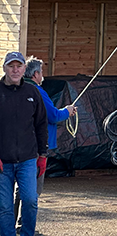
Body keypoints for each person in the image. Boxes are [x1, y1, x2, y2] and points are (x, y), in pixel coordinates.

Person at [14, 57, 77, 227]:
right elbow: (53, 115)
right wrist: (67, 111)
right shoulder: (38, 91)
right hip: (36, 147)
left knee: (19, 186)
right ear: (35, 74)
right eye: (41, 72)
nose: (43, 76)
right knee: (33, 188)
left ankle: (11, 223)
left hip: (18, 145)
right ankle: (24, 224)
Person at [0, 51, 48, 236]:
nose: (15, 70)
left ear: (24, 69)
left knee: (30, 200)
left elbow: (41, 123)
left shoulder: (32, 92)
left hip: (28, 159)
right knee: (4, 207)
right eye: (11, 66)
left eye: (18, 66)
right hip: (3, 162)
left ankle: (27, 233)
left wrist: (43, 154)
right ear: (4, 68)